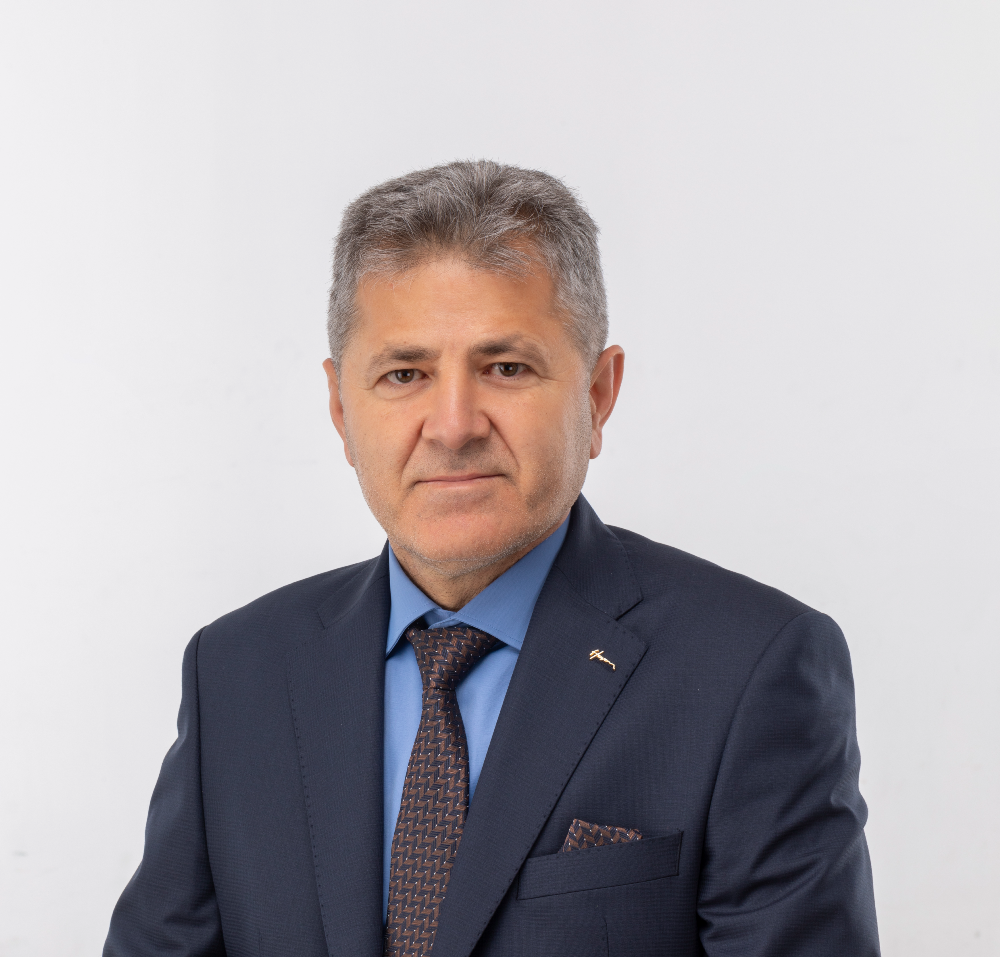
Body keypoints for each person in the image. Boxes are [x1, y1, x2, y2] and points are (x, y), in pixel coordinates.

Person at [104, 160, 880, 957]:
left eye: (505, 368)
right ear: (340, 409)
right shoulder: (237, 671)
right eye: (404, 373)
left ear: (598, 394)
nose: (453, 425)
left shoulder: (749, 669)